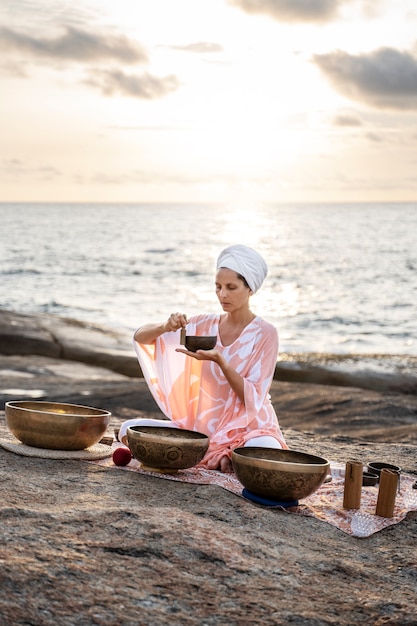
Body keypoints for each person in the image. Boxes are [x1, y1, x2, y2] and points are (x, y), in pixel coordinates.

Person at [118, 244, 287, 472]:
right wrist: (165, 326)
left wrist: (221, 362)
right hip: (201, 427)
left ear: (250, 289)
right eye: (217, 287)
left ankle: (228, 454)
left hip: (250, 427)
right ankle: (222, 457)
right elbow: (141, 337)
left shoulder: (265, 333)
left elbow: (254, 399)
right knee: (127, 428)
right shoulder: (203, 324)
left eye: (231, 287)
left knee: (264, 451)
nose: (222, 294)